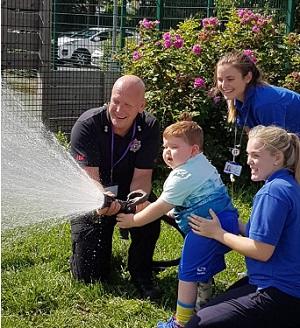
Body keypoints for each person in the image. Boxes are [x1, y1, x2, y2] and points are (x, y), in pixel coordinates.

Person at [117, 114, 239, 327]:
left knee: (187, 273)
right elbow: (193, 201)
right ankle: (204, 308)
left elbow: (161, 207)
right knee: (203, 267)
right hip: (226, 220)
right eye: (165, 147)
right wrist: (171, 212)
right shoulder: (202, 164)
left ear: (193, 150)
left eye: (174, 147)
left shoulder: (181, 176)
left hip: (203, 230)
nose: (167, 152)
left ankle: (181, 322)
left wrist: (133, 220)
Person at [186, 125, 300, 328]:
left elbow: (261, 250)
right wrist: (236, 225)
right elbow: (270, 238)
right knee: (211, 309)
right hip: (286, 288)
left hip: (280, 293)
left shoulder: (272, 192)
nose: (248, 161)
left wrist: (217, 233)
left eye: (255, 155)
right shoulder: (288, 185)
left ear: (277, 158)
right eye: (248, 154)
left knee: (198, 323)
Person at [69, 75, 162, 300]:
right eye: (115, 101)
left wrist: (136, 203)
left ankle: (141, 270)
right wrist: (104, 199)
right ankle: (86, 256)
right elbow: (89, 179)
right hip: (93, 195)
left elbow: (142, 178)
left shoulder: (149, 127)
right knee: (89, 277)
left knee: (150, 215)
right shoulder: (88, 124)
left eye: (127, 105)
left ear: (142, 106)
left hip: (129, 191)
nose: (118, 110)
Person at [213, 50, 300, 134]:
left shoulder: (264, 103)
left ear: (248, 77)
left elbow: (275, 146)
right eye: (220, 80)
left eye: (230, 79)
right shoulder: (238, 101)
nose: (223, 85)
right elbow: (253, 140)